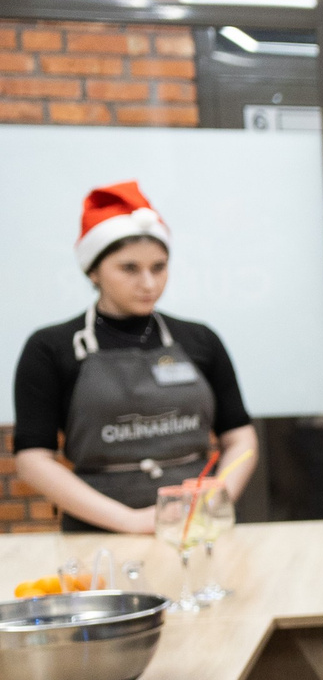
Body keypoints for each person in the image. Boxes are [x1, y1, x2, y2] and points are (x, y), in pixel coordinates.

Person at [13, 182, 257, 533]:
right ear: (93, 271)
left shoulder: (200, 339)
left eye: (159, 267)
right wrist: (130, 521)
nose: (148, 283)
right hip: (97, 535)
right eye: (129, 268)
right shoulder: (50, 347)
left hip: (197, 529)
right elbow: (33, 460)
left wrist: (216, 498)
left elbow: (241, 438)